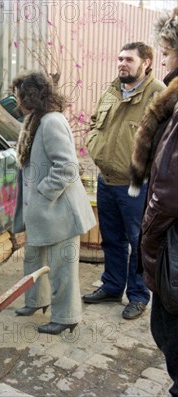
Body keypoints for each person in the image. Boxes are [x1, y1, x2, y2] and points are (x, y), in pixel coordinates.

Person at [82, 42, 165, 320]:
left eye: (129, 59)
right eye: (119, 59)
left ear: (147, 63)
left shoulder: (159, 96)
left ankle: (139, 296)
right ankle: (112, 286)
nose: (122, 64)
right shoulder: (112, 90)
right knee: (112, 240)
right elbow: (95, 122)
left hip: (136, 186)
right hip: (106, 180)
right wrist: (94, 144)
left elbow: (166, 144)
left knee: (138, 243)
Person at [10, 71, 96, 335]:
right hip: (43, 211)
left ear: (31, 96)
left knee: (62, 268)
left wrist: (43, 193)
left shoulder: (51, 122)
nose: (17, 100)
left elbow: (68, 167)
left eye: (20, 95)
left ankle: (66, 317)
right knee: (33, 259)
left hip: (59, 211)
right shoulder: (36, 119)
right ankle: (36, 301)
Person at [129, 8, 178, 396]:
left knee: (171, 335)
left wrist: (147, 240)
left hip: (173, 248)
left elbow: (167, 192)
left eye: (167, 51)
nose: (163, 59)